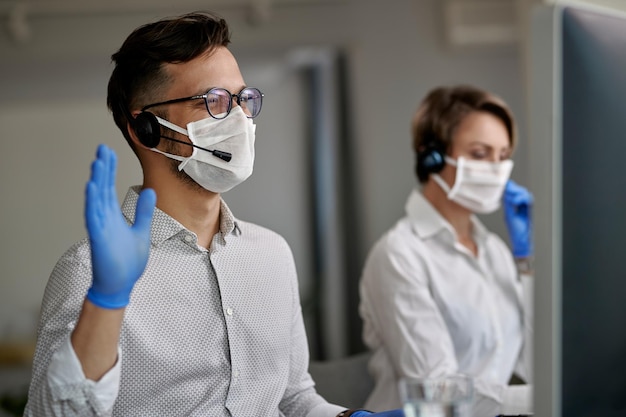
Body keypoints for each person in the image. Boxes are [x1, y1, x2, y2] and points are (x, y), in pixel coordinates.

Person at [24, 11, 402, 417]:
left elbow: (293, 397)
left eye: (243, 99)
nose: (239, 118)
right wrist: (108, 300)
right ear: (145, 128)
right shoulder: (88, 272)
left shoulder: (272, 253)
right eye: (214, 101)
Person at [358, 85, 534, 417]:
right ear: (432, 156)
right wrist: (534, 401)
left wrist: (528, 263)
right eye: (481, 154)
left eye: (503, 156)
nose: (496, 169)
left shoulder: (495, 251)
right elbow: (435, 387)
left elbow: (536, 365)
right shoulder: (398, 254)